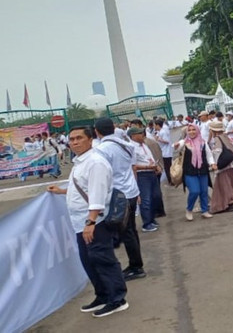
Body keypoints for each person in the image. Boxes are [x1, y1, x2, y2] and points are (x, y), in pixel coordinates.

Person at [47, 126, 128, 317]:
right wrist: (61, 191)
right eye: (72, 139)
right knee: (89, 261)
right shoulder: (80, 162)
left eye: (79, 138)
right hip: (80, 222)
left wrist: (90, 223)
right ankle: (103, 295)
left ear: (90, 139)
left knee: (103, 259)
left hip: (95, 222)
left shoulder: (95, 162)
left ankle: (117, 298)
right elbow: (83, 188)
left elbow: (97, 194)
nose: (74, 142)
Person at [93, 117, 149, 285]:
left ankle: (136, 266)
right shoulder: (127, 145)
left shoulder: (101, 149)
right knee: (130, 230)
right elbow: (131, 168)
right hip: (130, 191)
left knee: (127, 232)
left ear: (97, 131)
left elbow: (104, 174)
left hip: (117, 195)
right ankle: (135, 264)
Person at [173, 124, 215, 221]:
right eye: (190, 130)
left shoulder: (203, 142)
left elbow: (209, 155)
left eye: (194, 130)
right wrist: (176, 146)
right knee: (195, 191)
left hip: (202, 170)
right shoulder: (185, 142)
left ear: (197, 131)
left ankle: (204, 211)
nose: (192, 132)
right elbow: (177, 147)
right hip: (189, 171)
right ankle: (189, 209)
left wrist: (212, 163)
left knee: (204, 191)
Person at [209, 121, 233, 214]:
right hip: (232, 164)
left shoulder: (217, 139)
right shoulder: (225, 137)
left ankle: (230, 201)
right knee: (230, 184)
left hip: (224, 166)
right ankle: (229, 201)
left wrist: (214, 164)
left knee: (223, 185)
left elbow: (217, 152)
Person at [154, 119, 174, 186]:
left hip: (166, 152)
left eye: (154, 125)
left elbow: (166, 141)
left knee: (167, 168)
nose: (154, 126)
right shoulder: (160, 131)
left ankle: (171, 181)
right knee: (167, 167)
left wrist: (158, 139)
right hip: (165, 151)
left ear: (157, 125)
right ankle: (171, 180)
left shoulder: (163, 132)